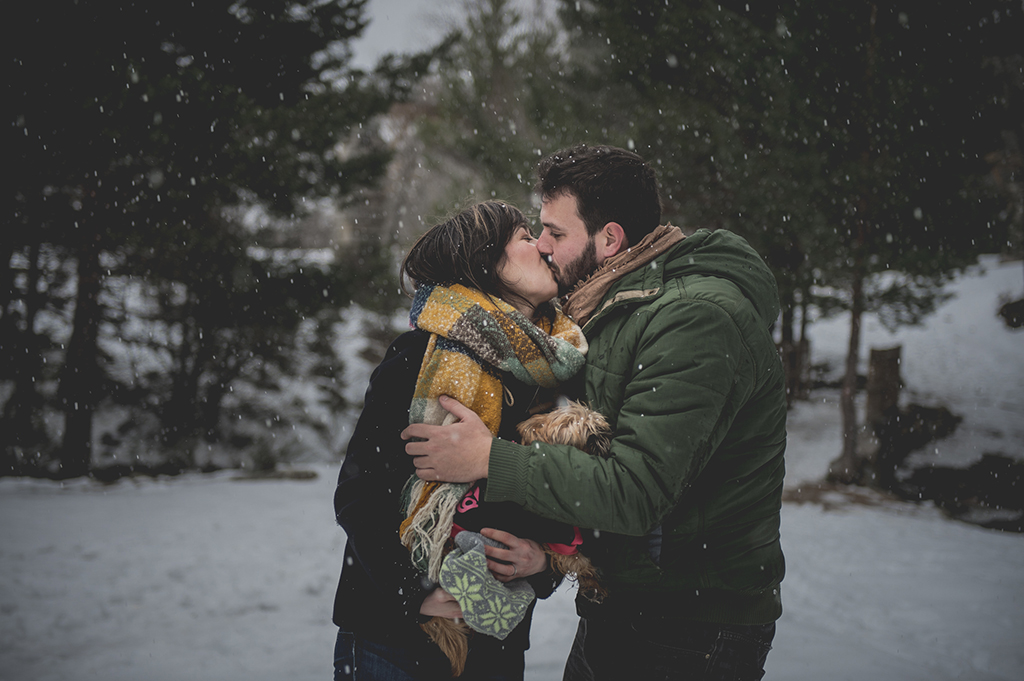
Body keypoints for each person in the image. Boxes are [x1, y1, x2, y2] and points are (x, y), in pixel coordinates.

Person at [402, 144, 787, 681]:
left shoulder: (694, 319)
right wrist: (540, 556)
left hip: (689, 628)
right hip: (627, 606)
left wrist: (493, 460)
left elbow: (636, 490)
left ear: (610, 238)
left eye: (556, 233)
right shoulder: (608, 312)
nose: (542, 245)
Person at [332, 200, 591, 680]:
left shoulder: (558, 368)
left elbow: (565, 492)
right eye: (521, 237)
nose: (539, 244)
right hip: (394, 637)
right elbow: (358, 493)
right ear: (485, 265)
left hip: (495, 639)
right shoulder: (418, 359)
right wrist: (417, 591)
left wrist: (541, 566)